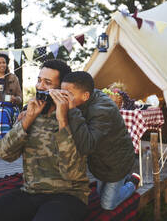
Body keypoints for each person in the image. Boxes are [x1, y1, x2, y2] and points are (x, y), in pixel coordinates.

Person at [0, 60, 89, 221]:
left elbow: (71, 172)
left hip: (68, 195)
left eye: (47, 82)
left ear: (62, 89)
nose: (39, 86)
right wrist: (27, 120)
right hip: (30, 192)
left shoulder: (76, 119)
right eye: (39, 80)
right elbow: (4, 153)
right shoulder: (30, 113)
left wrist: (63, 121)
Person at [59, 71, 139, 210]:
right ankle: (123, 181)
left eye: (68, 94)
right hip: (100, 162)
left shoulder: (102, 110)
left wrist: (71, 110)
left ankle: (132, 182)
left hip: (117, 163)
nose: (63, 97)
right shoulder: (84, 100)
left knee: (107, 205)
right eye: (62, 92)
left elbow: (86, 146)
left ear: (85, 95)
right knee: (100, 194)